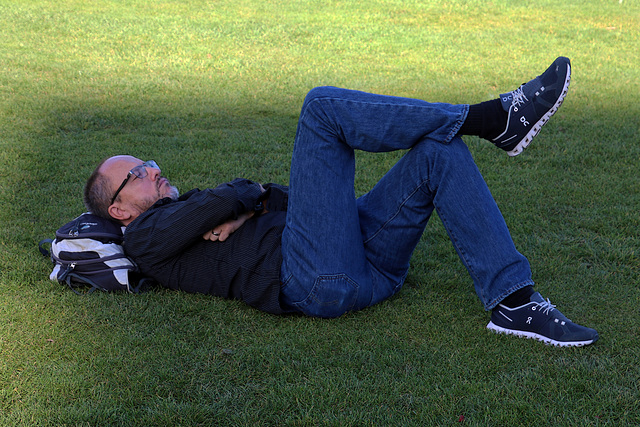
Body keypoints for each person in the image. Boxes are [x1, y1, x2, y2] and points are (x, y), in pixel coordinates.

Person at [84, 57, 599, 347]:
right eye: (136, 173)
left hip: (362, 261)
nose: (152, 169)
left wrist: (243, 206)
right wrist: (248, 197)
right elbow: (235, 198)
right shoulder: (146, 236)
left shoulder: (183, 216)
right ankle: (492, 118)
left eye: (146, 162)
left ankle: (515, 301)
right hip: (314, 280)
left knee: (438, 151)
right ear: (119, 210)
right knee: (321, 107)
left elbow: (285, 198)